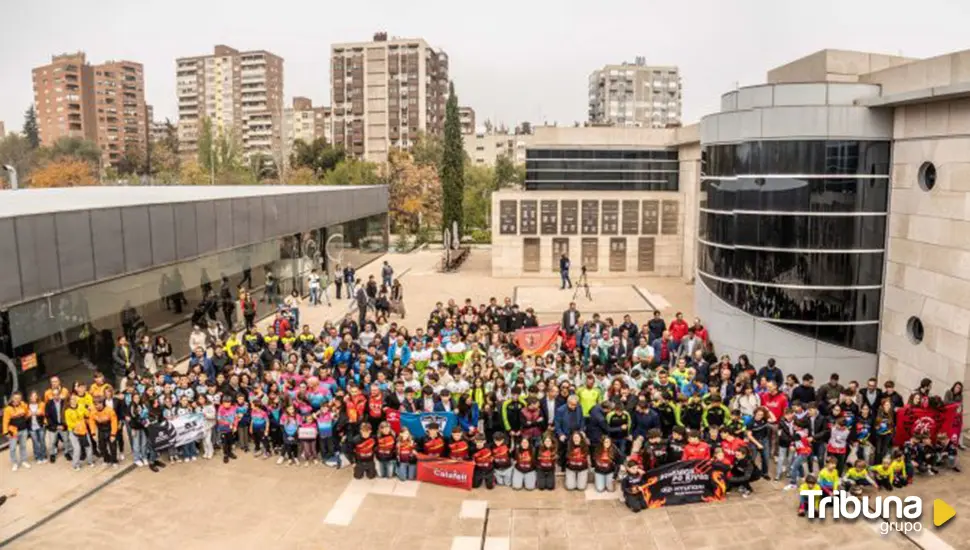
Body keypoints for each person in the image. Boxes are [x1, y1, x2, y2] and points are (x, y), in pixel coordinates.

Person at [2, 393, 30, 471]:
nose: (17, 400)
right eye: (16, 398)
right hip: (13, 432)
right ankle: (15, 463)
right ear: (12, 399)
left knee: (23, 446)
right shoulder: (8, 409)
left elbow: (27, 414)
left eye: (19, 398)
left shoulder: (24, 405)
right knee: (13, 448)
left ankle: (24, 461)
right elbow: (5, 421)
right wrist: (6, 432)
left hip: (23, 430)